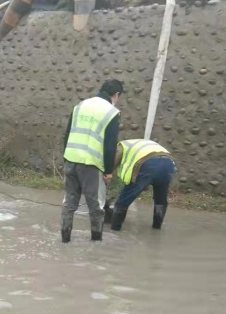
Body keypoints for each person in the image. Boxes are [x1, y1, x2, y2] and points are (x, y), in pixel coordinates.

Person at [60, 79, 123, 242]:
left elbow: (67, 135)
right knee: (96, 206)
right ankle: (96, 244)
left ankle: (65, 240)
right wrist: (108, 171)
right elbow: (110, 146)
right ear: (116, 95)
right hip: (91, 164)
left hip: (70, 159)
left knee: (69, 203)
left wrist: (66, 158)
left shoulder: (80, 106)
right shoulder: (111, 112)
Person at [109, 139, 176, 231]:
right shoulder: (139, 143)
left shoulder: (121, 146)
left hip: (148, 164)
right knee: (161, 200)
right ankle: (157, 227)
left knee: (124, 199)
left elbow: (115, 159)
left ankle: (115, 229)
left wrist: (108, 172)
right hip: (168, 163)